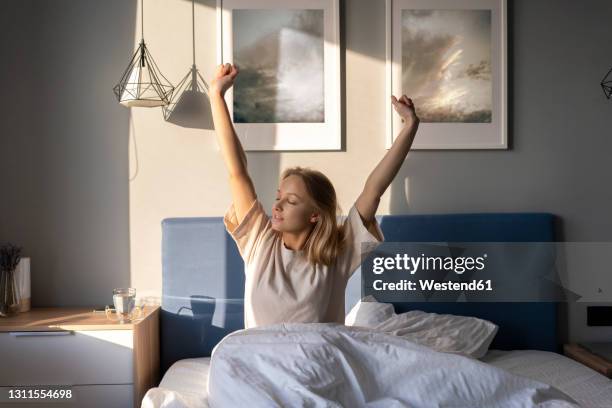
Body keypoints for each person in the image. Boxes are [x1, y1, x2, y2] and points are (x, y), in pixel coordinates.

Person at [209, 63, 419, 329]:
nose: (278, 206)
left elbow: (374, 189)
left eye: (292, 201)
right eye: (279, 197)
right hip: (261, 362)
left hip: (316, 360)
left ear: (315, 215)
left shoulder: (337, 254)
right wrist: (215, 96)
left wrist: (410, 125)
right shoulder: (259, 242)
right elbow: (237, 171)